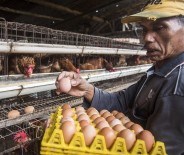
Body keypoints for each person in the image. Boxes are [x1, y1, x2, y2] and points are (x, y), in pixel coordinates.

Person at [55, 0, 184, 154]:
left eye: (159, 28)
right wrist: (86, 90)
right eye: (144, 29)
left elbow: (160, 150)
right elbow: (121, 101)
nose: (147, 38)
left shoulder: (177, 86)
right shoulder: (159, 71)